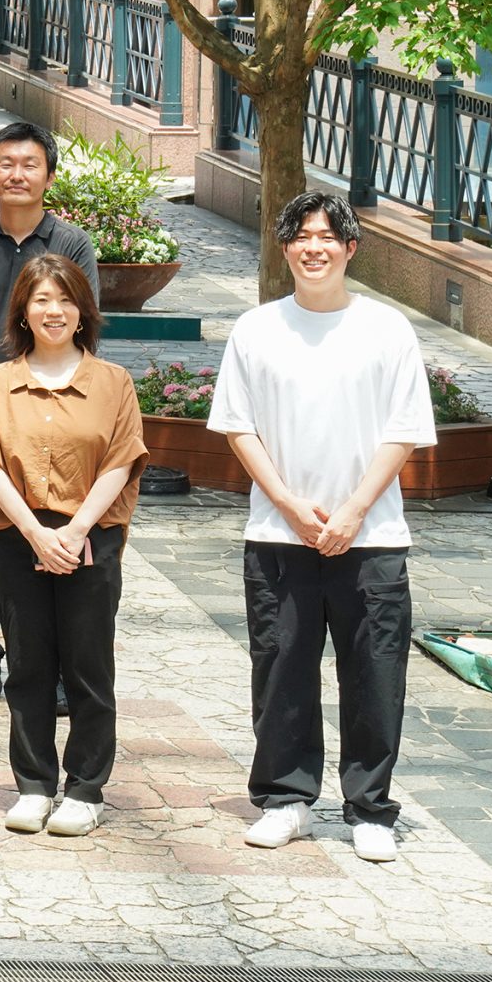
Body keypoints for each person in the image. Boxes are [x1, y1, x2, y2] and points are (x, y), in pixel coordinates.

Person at [210, 191, 434, 865]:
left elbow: (404, 430)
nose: (315, 246)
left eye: (328, 236)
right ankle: (286, 798)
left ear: (350, 248)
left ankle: (369, 807)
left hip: (372, 536)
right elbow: (238, 426)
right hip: (280, 535)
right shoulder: (256, 329)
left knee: (375, 673)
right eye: (301, 235)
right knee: (283, 668)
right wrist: (286, 502)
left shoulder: (388, 328)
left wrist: (355, 509)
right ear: (285, 249)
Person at [0, 255, 141, 839]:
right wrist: (37, 534)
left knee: (89, 666)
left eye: (64, 300)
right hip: (18, 537)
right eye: (41, 300)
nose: (53, 311)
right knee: (29, 666)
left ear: (83, 310)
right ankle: (34, 784)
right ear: (23, 310)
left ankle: (86, 789)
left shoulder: (113, 382)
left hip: (92, 534)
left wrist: (74, 530)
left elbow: (120, 461)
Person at [0, 121, 99, 708]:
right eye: (6, 164)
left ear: (48, 175)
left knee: (47, 534)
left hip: (51, 420)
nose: (17, 174)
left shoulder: (72, 247)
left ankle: (46, 664)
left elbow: (82, 328)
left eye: (30, 165)